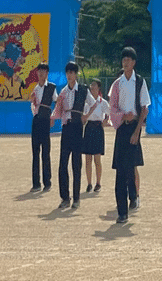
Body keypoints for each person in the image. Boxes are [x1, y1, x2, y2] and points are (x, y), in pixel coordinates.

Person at [108, 48, 150, 225]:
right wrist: (121, 117)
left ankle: (134, 196)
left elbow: (144, 108)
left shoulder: (140, 82)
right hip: (121, 129)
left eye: (129, 59)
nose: (125, 62)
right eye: (123, 59)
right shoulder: (117, 84)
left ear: (134, 62)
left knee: (130, 167)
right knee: (120, 170)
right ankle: (122, 212)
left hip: (134, 128)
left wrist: (137, 132)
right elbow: (112, 108)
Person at [51, 62, 96, 211]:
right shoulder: (63, 91)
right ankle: (65, 197)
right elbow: (58, 107)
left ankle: (76, 198)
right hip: (66, 127)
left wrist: (86, 116)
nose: (69, 75)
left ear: (76, 74)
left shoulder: (83, 90)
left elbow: (94, 104)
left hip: (77, 127)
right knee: (63, 163)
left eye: (72, 72)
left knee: (76, 164)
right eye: (67, 72)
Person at [29, 62, 57, 193]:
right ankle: (36, 183)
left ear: (47, 73)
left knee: (46, 152)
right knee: (35, 152)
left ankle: (47, 181)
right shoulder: (35, 89)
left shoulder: (51, 87)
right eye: (39, 71)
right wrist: (33, 105)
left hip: (46, 121)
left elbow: (58, 103)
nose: (41, 73)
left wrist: (53, 117)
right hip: (36, 121)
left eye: (44, 71)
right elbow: (33, 107)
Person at [82, 79, 110, 193]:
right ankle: (89, 183)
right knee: (88, 158)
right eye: (91, 85)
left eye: (94, 85)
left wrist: (105, 122)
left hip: (98, 128)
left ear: (99, 89)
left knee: (97, 159)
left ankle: (98, 183)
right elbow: (83, 116)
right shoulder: (86, 103)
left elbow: (109, 114)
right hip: (89, 128)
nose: (92, 87)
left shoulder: (103, 102)